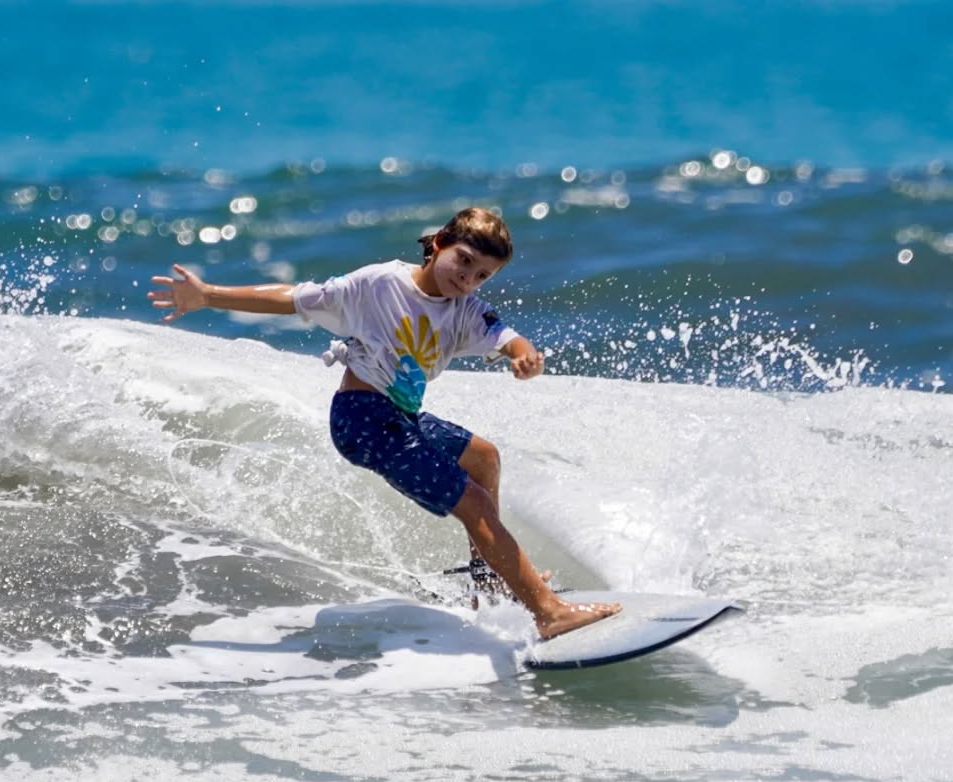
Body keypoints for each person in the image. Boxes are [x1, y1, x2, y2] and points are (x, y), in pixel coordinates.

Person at [149, 207, 619, 640]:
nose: (467, 278)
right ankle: (548, 612)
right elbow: (294, 298)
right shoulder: (378, 284)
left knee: (483, 458)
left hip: (401, 418)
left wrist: (525, 358)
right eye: (463, 261)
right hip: (362, 418)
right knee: (473, 503)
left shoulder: (465, 310)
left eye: (482, 275)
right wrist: (208, 295)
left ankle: (489, 582)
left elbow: (508, 338)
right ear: (439, 244)